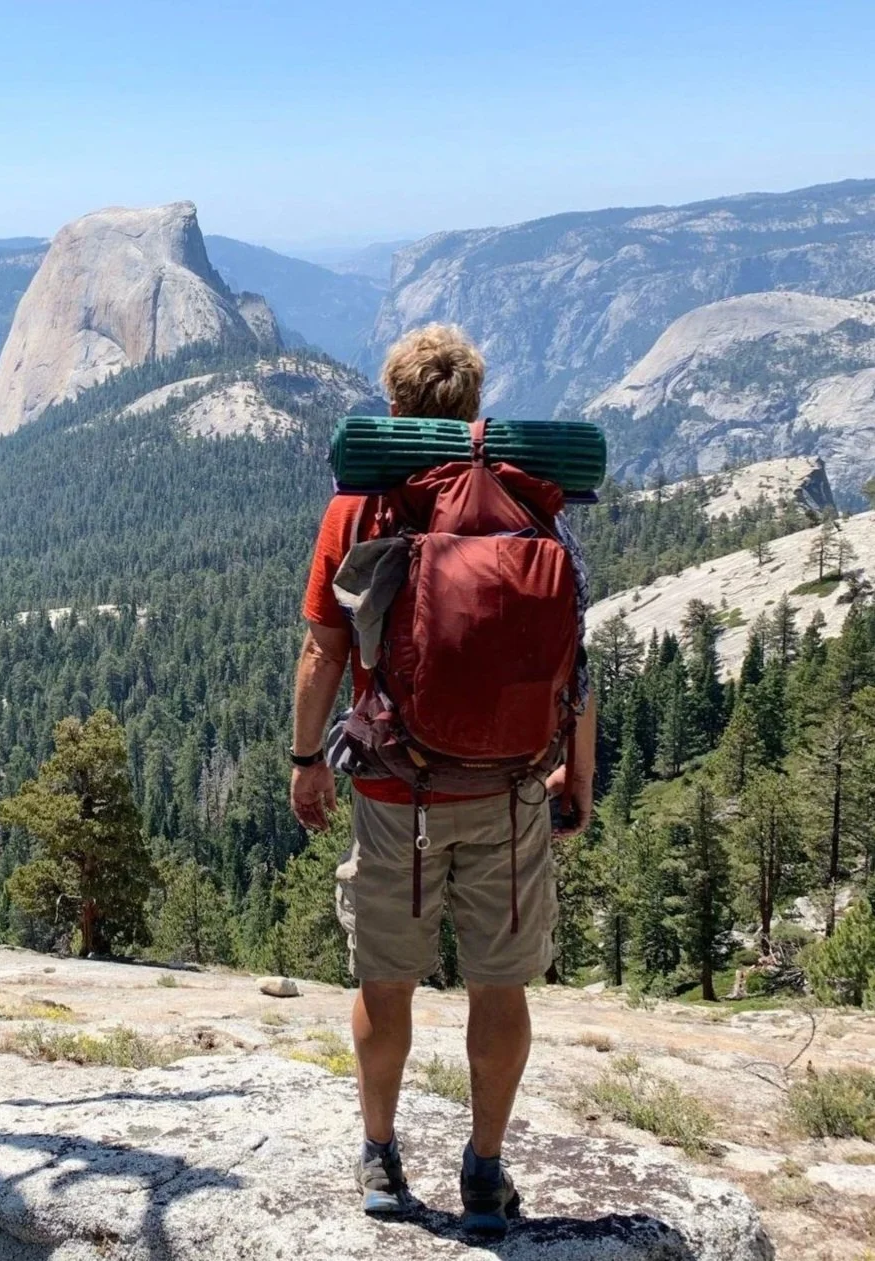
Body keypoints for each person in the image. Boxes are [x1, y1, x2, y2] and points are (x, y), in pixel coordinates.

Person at [289, 323, 595, 1236]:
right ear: (474, 409)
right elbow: (572, 658)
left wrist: (307, 763)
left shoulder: (362, 506)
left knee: (387, 983)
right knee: (500, 989)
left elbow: (322, 650)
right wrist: (575, 773)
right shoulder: (535, 502)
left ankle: (381, 1159)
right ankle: (485, 1168)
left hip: (395, 796)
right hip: (509, 793)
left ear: (394, 409)